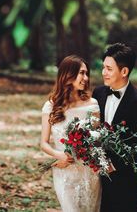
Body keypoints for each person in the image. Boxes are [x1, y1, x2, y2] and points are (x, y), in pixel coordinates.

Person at [93, 43, 137, 212]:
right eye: (103, 68)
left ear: (124, 71)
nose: (103, 72)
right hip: (98, 173)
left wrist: (116, 164)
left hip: (126, 176)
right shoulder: (98, 94)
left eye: (109, 68)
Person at [40, 55, 101, 212]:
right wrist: (58, 155)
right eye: (81, 73)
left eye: (86, 73)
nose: (85, 78)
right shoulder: (50, 106)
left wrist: (87, 149)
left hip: (89, 171)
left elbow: (98, 139)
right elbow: (43, 143)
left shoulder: (92, 105)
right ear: (68, 75)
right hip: (64, 170)